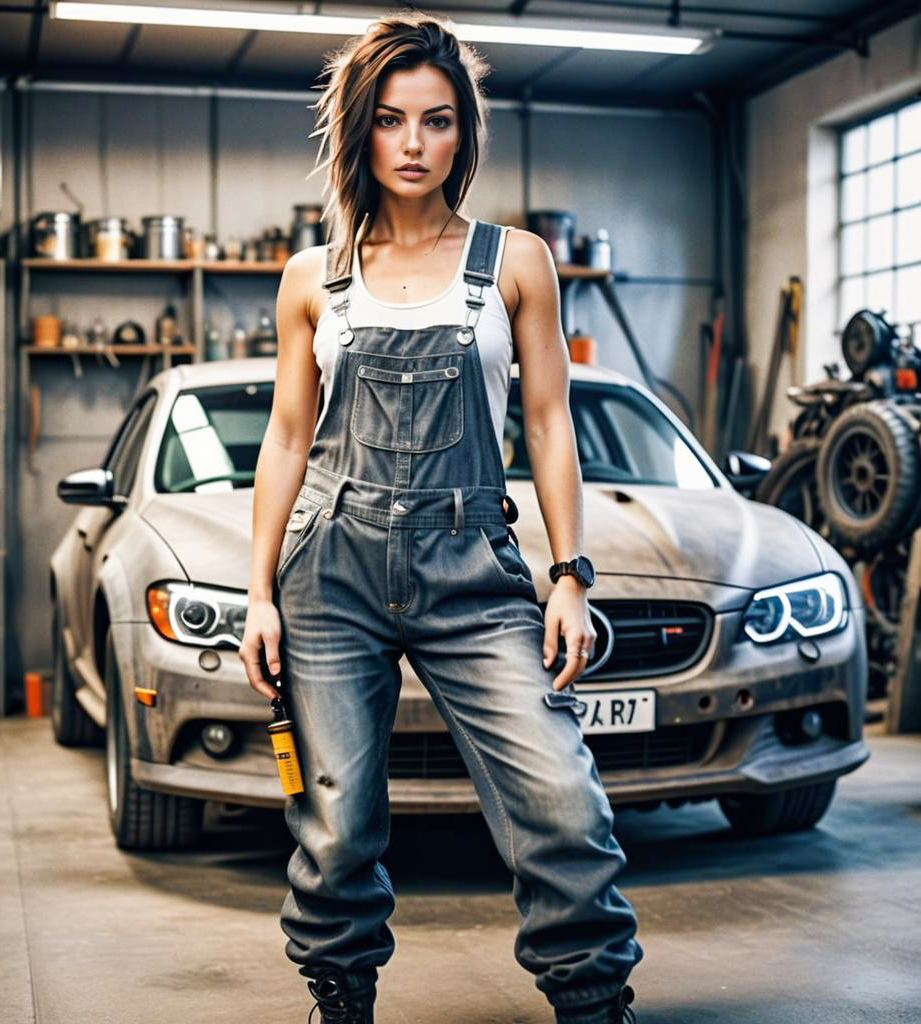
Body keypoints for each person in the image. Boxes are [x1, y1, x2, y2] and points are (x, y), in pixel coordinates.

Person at [238, 11, 644, 1024]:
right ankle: (340, 1001)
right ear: (357, 134)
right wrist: (257, 594)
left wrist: (568, 574)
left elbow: (549, 426)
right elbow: (286, 441)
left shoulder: (516, 263)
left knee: (559, 800)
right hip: (328, 570)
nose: (413, 143)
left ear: (465, 133)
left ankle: (593, 1001)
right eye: (389, 120)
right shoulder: (311, 279)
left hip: (474, 564)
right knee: (335, 821)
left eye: (437, 120)